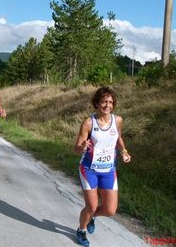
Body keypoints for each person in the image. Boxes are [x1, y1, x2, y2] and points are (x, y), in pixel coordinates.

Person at [74, 86, 131, 246]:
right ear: (97, 103)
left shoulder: (117, 120)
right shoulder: (88, 123)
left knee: (110, 210)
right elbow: (76, 148)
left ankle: (92, 217)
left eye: (111, 102)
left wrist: (124, 151)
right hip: (89, 169)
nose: (108, 105)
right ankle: (81, 230)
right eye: (104, 101)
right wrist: (83, 146)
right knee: (91, 206)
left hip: (108, 170)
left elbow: (118, 138)